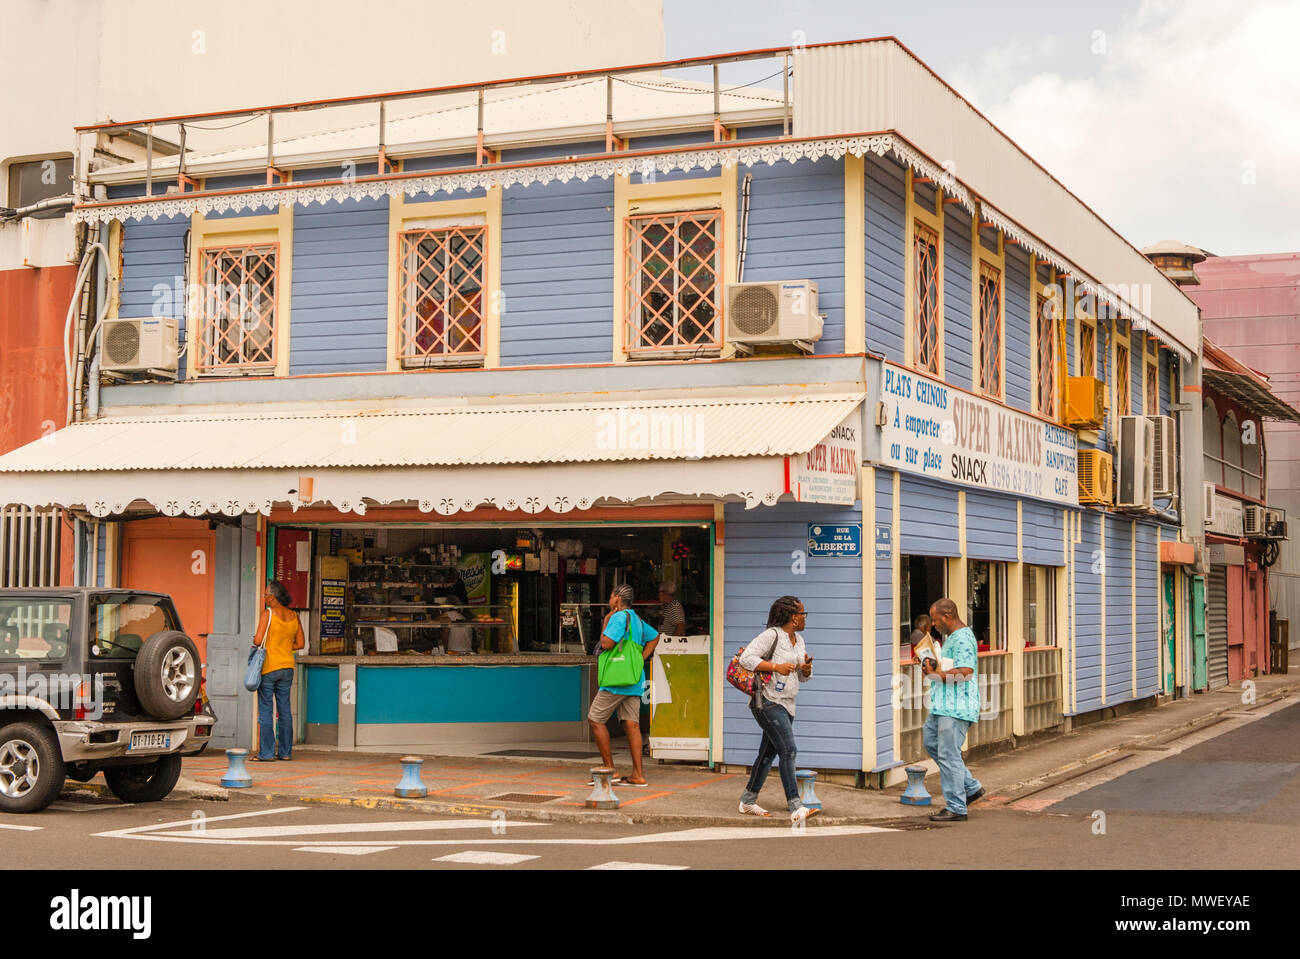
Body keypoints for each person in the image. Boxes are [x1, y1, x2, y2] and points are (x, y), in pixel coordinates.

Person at [737, 595, 818, 824]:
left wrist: (807, 669)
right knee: (789, 750)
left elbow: (802, 677)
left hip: (788, 703)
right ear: (793, 617)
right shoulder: (771, 635)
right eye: (803, 614)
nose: (804, 618)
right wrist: (776, 667)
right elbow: (746, 659)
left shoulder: (799, 640)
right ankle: (795, 805)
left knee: (767, 754)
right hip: (768, 701)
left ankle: (747, 800)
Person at [587, 584, 659, 786]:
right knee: (632, 725)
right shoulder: (636, 618)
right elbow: (654, 637)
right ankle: (638, 775)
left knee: (594, 718)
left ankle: (610, 769)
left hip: (616, 680)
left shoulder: (618, 617)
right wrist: (640, 660)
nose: (609, 600)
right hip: (633, 678)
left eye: (611, 596)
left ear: (617, 598)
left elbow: (606, 644)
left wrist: (605, 622)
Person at [922, 597, 984, 821]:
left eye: (935, 619)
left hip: (956, 707)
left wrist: (935, 675)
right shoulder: (951, 638)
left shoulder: (963, 638)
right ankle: (971, 787)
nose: (933, 624)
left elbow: (966, 671)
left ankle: (956, 807)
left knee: (949, 754)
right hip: (944, 705)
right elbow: (951, 668)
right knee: (931, 741)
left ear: (947, 616)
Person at [252, 581, 306, 762]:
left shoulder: (268, 614)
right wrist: (284, 645)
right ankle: (285, 752)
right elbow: (300, 644)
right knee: (284, 711)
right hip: (287, 668)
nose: (264, 597)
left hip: (269, 668)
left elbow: (258, 641)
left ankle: (266, 753)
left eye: (265, 594)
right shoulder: (294, 616)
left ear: (272, 597)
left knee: (266, 710)